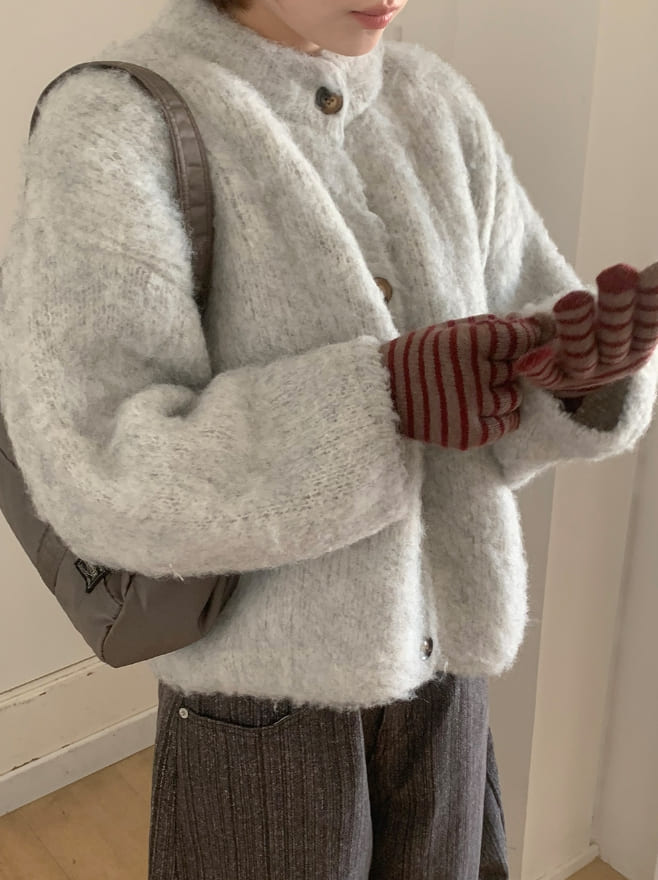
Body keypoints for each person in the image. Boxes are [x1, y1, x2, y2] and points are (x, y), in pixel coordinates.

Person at [2, 0, 657, 876]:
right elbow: (98, 465)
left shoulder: (432, 100)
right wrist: (381, 403)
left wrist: (570, 384)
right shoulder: (114, 123)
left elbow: (515, 355)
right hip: (265, 707)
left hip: (445, 664)